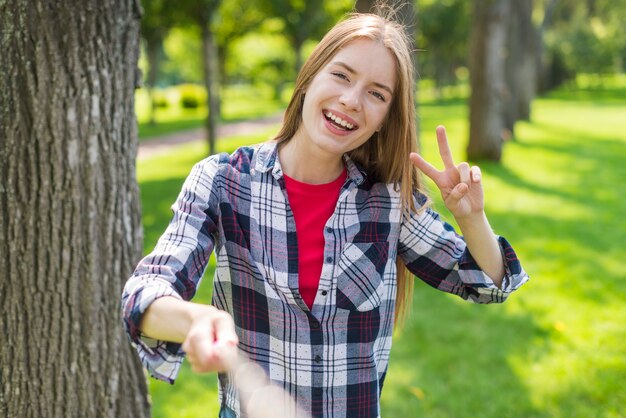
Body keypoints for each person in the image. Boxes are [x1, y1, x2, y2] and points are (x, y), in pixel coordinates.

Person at [121, 9, 529, 418]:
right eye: (342, 75)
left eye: (377, 93)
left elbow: (485, 282)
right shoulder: (222, 181)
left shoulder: (388, 201)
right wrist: (195, 319)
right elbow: (146, 292)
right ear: (311, 76)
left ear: (386, 118)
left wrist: (472, 218)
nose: (351, 101)